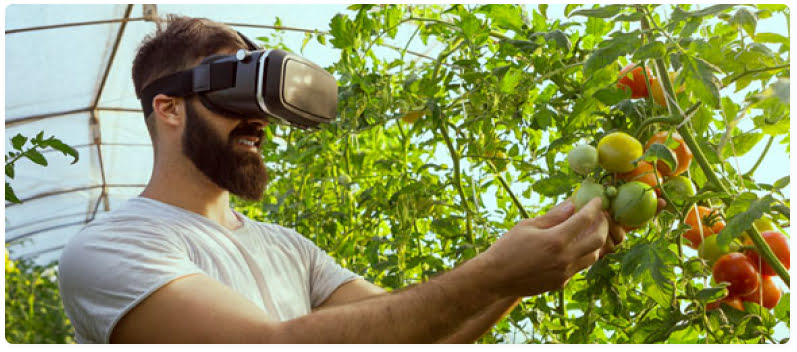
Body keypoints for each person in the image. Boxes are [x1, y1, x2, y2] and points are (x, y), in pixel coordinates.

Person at [57, 15, 642, 344]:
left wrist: (536, 263)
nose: (259, 118)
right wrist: (497, 271)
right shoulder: (111, 247)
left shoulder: (288, 247)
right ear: (169, 109)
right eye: (235, 90)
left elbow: (416, 337)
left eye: (266, 100)